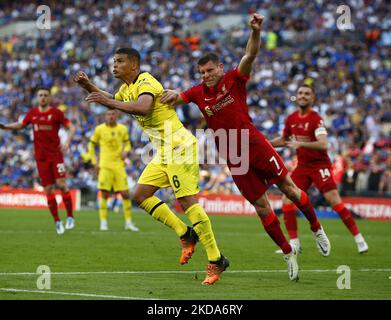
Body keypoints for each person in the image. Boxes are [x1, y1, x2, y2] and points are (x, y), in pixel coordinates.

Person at [161, 14, 330, 281]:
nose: (206, 76)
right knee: (262, 207)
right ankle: (288, 253)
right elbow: (178, 98)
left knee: (289, 188)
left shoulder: (234, 79)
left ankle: (316, 226)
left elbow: (249, 55)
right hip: (233, 155)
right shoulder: (196, 92)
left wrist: (256, 31)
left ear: (220, 67)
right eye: (202, 73)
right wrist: (169, 95)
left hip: (254, 144)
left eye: (210, 70)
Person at [74, 48, 228, 285]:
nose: (114, 65)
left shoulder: (146, 81)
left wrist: (109, 100)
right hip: (164, 152)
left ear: (133, 65)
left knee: (187, 201)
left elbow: (144, 107)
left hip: (179, 147)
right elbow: (112, 99)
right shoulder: (126, 89)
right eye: (114, 61)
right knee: (141, 195)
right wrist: (89, 86)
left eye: (120, 61)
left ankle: (216, 259)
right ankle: (185, 233)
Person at [269, 84, 369, 254]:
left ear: (312, 98)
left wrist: (301, 143)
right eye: (300, 93)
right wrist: (265, 144)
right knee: (287, 200)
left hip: (319, 166)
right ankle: (294, 244)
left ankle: (359, 240)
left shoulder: (316, 119)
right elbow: (284, 139)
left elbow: (323, 144)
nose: (303, 96)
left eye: (307, 93)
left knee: (334, 201)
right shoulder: (292, 118)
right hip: (302, 166)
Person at [0, 87, 76, 235]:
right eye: (40, 95)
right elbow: (21, 124)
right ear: (37, 98)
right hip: (41, 159)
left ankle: (70, 217)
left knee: (62, 185)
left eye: (45, 95)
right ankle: (57, 221)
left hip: (56, 156)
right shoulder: (33, 114)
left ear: (49, 98)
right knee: (48, 190)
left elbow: (71, 127)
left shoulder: (56, 113)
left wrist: (67, 141)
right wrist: (6, 127)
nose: (42, 97)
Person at [88, 109, 139, 232]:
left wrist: (126, 151)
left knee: (125, 194)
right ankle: (103, 222)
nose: (110, 116)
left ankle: (128, 222)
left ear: (117, 115)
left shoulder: (122, 129)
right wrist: (94, 162)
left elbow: (127, 144)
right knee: (105, 194)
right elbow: (91, 145)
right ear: (105, 116)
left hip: (118, 165)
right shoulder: (99, 129)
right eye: (108, 114)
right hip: (104, 165)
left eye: (113, 114)